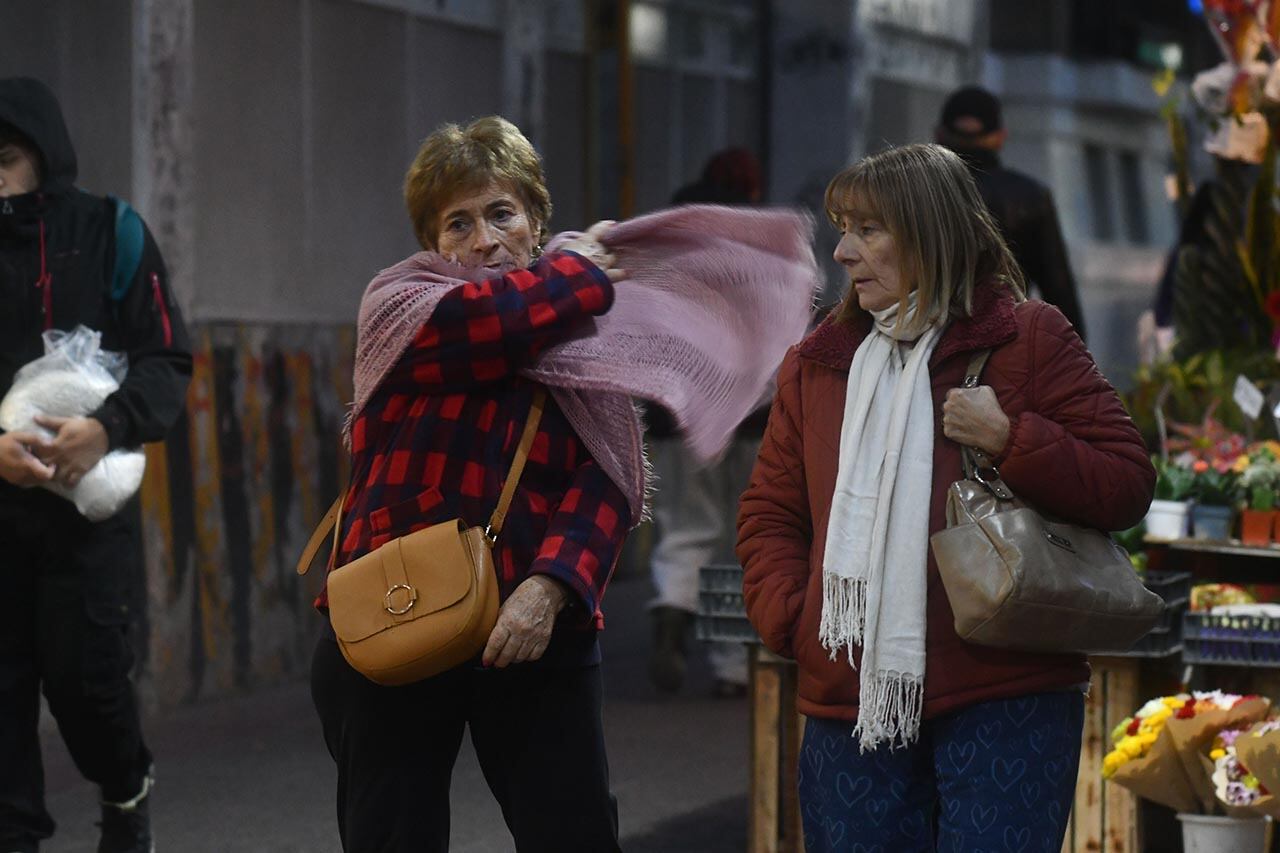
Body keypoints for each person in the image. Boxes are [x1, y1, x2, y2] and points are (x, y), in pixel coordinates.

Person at [737, 143, 1154, 851]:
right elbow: (772, 513)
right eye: (843, 228)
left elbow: (1125, 482)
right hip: (851, 702)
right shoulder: (819, 364)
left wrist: (1010, 436)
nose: (842, 251)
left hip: (1007, 694)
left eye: (869, 230)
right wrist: (796, 618)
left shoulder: (1030, 339)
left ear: (932, 234)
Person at [309, 116, 632, 853]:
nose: (484, 240)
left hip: (534, 620)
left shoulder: (589, 335)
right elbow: (491, 325)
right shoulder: (402, 305)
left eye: (501, 213)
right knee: (391, 833)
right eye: (458, 222)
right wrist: (582, 273)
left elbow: (606, 479)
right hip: (396, 608)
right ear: (432, 241)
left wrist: (550, 586)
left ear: (535, 219)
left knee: (574, 833)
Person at [0, 78, 192, 853]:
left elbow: (165, 358)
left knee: (89, 685)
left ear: (44, 158)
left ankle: (124, 789)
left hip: (86, 512)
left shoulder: (110, 231)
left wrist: (105, 426)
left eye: (6, 159)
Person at [647, 146, 764, 697]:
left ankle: (671, 619)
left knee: (685, 530)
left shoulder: (667, 242)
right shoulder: (762, 246)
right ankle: (731, 669)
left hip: (680, 414)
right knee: (739, 544)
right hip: (749, 416)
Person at [936, 85, 1087, 340]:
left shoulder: (917, 193)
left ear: (939, 135)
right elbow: (1059, 288)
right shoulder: (1032, 196)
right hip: (1005, 341)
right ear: (1000, 137)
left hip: (929, 343)